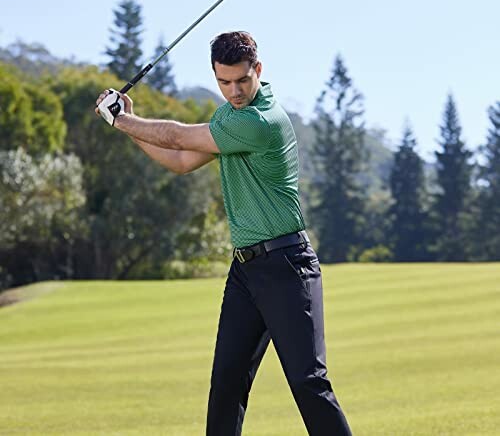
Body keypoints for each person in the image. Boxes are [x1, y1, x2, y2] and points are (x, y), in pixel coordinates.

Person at [95, 31, 352, 435]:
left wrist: (123, 118)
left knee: (308, 383)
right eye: (224, 82)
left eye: (242, 81)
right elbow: (180, 159)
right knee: (227, 383)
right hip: (246, 271)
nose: (233, 91)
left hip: (287, 266)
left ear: (259, 71)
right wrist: (124, 126)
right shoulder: (230, 118)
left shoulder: (259, 122)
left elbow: (179, 136)